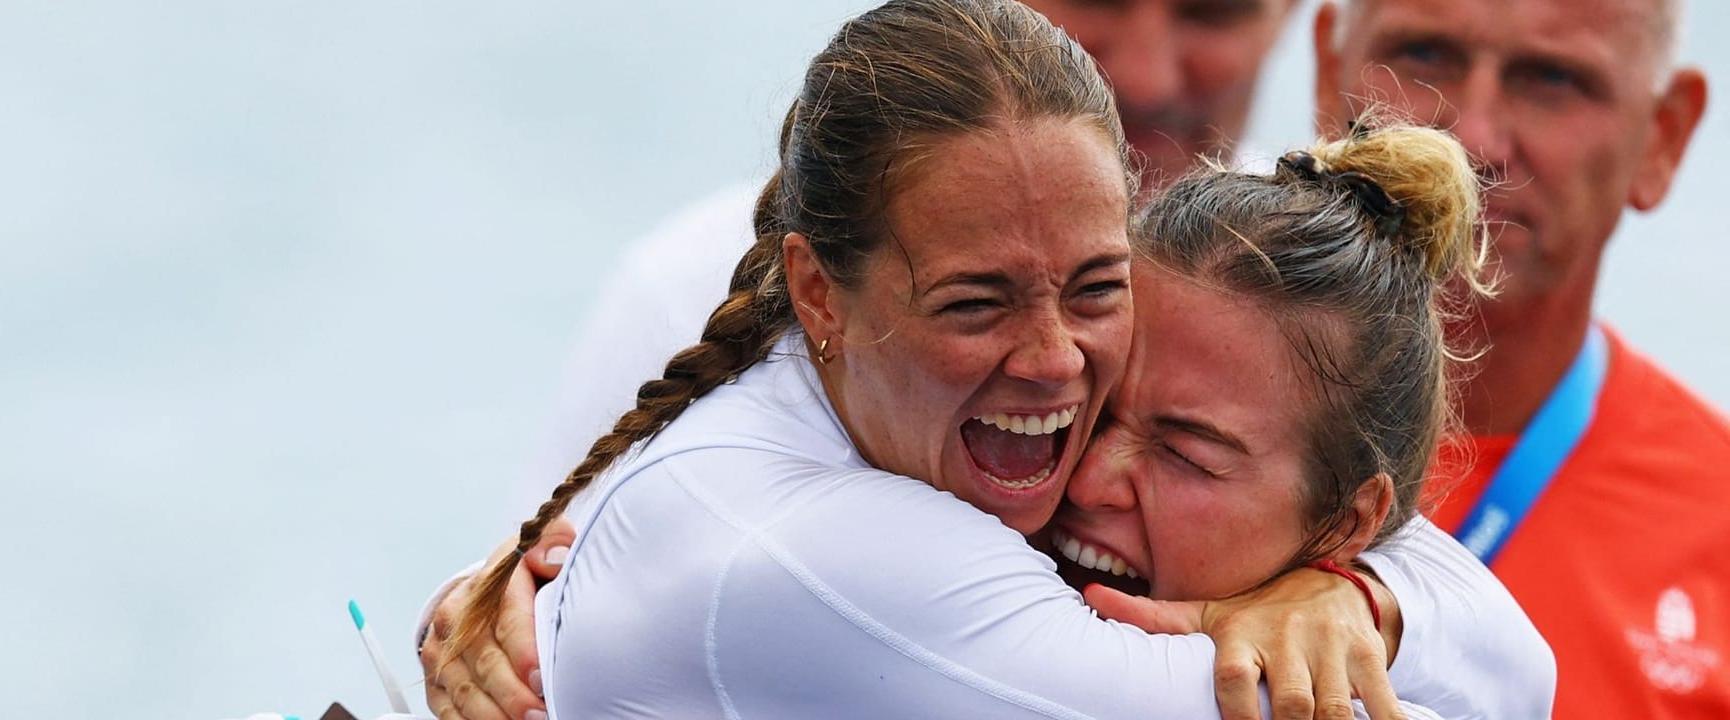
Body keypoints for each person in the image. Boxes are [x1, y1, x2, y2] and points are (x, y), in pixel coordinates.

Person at [286, 116, 1546, 720]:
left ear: (1349, 523)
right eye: (1089, 400)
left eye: (1186, 452)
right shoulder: (920, 542)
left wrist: (1358, 605)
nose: (1084, 466)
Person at [1309, 2, 1730, 720]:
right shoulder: (1121, 469)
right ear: (1329, 71)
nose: (1474, 139)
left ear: (1666, 137)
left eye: (1554, 81)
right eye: (1425, 56)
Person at [525, 0, 1302, 511]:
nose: (1143, 72)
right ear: (817, 294)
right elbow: (535, 597)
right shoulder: (684, 285)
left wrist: (1355, 598)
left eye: (1213, 9)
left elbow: (1391, 527)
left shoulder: (1299, 285)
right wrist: (502, 598)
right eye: (971, 303)